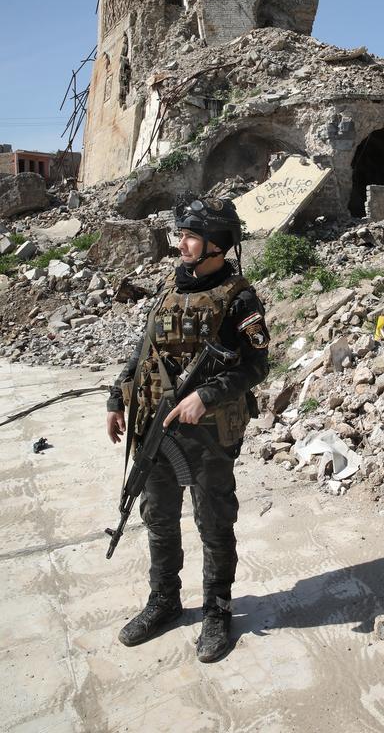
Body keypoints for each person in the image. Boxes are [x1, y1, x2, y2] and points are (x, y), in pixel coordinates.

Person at [106, 198, 269, 662]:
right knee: (157, 515)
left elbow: (257, 365)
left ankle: (217, 610)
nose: (181, 243)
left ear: (217, 243)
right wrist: (119, 397)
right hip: (156, 423)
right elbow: (146, 350)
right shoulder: (170, 287)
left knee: (214, 521)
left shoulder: (240, 298)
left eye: (191, 236)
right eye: (181, 235)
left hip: (209, 430)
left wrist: (206, 396)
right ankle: (165, 601)